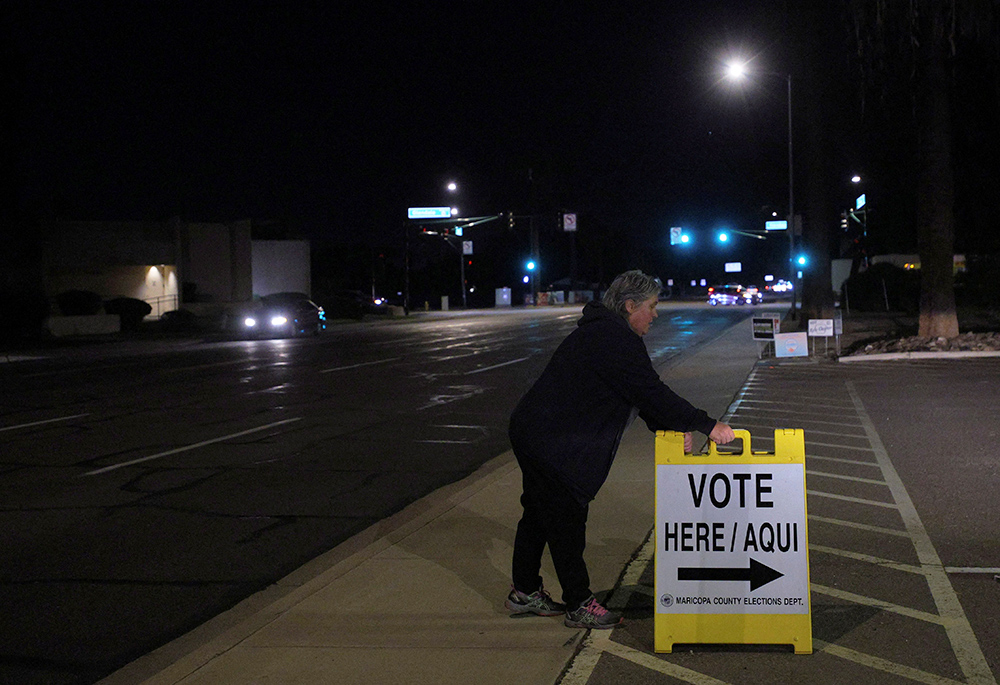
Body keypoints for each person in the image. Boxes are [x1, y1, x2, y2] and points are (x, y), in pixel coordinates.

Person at [505, 270, 736, 629]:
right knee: (566, 517)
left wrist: (672, 426)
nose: (655, 315)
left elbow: (637, 393)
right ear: (630, 306)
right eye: (652, 307)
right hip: (551, 440)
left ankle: (524, 591)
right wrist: (707, 424)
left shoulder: (608, 334)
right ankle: (579, 603)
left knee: (538, 511)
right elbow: (650, 392)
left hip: (537, 432)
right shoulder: (611, 338)